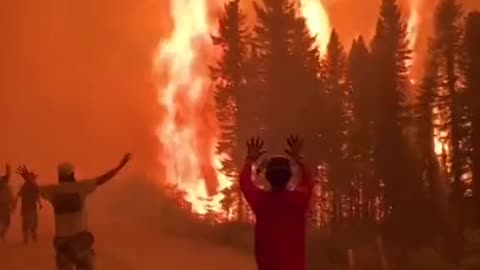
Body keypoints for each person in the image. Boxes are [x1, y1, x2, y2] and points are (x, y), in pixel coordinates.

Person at [16, 153, 132, 270]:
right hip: (80, 241)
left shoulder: (53, 190)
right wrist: (120, 166)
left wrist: (29, 180)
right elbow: (103, 179)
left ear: (59, 176)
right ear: (72, 174)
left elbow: (37, 188)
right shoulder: (81, 187)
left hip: (62, 243)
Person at [240, 136, 314, 270]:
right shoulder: (298, 201)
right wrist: (299, 159)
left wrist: (250, 160)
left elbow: (245, 183)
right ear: (290, 175)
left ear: (267, 177)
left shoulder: (261, 202)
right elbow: (308, 181)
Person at [16, 174, 43, 244]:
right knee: (28, 223)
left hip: (31, 207)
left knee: (31, 223)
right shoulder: (26, 186)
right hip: (27, 207)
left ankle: (32, 239)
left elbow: (37, 195)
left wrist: (40, 204)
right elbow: (19, 195)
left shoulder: (32, 185)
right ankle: (28, 239)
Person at [0, 163, 13, 242]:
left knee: (6, 222)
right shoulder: (4, 186)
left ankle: (2, 234)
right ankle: (1, 234)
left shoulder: (5, 186)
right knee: (6, 222)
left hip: (5, 205)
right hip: (3, 205)